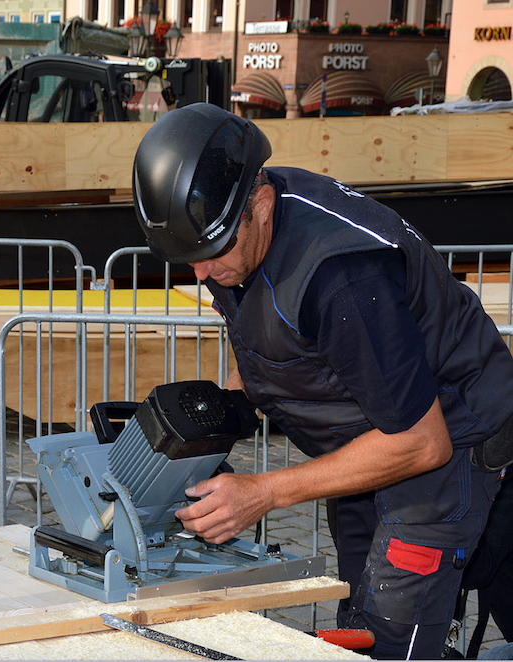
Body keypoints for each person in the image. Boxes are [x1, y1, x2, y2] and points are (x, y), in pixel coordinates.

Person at [132, 103, 513, 659]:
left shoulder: (341, 279)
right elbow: (261, 337)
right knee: (356, 625)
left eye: (211, 255)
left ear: (259, 205)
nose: (202, 274)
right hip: (364, 445)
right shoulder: (231, 239)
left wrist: (264, 493)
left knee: (390, 639)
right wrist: (222, 415)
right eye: (188, 259)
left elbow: (421, 442)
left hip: (446, 443)